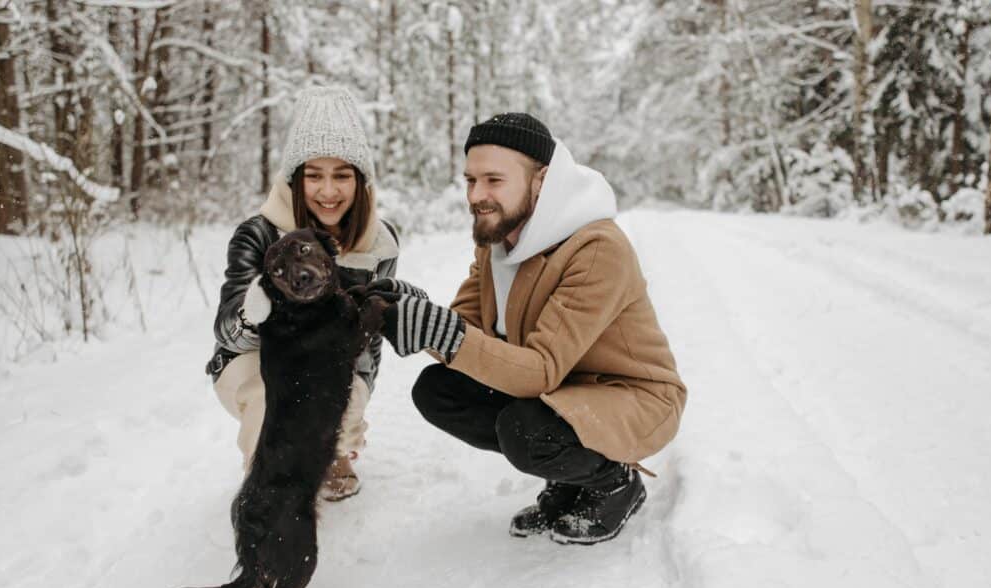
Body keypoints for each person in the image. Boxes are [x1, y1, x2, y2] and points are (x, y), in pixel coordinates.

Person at [367, 113, 687, 545]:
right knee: (440, 390)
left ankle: (613, 482)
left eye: (494, 180)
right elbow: (465, 330)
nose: (477, 195)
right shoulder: (499, 243)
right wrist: (412, 307)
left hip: (629, 396)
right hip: (562, 392)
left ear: (542, 181)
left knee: (526, 430)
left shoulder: (597, 248)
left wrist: (440, 331)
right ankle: (568, 476)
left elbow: (539, 370)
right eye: (470, 180)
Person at [206, 85, 411, 502]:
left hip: (331, 361)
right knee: (275, 397)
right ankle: (268, 479)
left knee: (338, 399)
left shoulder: (379, 244)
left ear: (361, 180)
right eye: (314, 175)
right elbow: (227, 331)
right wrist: (256, 308)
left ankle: (330, 452)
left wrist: (355, 402)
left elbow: (369, 343)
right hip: (255, 362)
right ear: (295, 180)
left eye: (341, 175)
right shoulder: (259, 234)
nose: (328, 191)